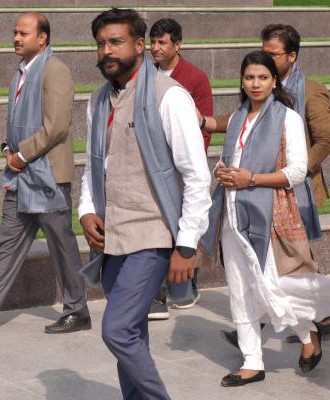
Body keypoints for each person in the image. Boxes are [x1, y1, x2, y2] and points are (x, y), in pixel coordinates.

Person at [78, 8, 211, 399]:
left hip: (153, 234)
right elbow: (94, 165)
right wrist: (86, 210)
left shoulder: (169, 97)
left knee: (117, 330)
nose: (107, 51)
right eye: (101, 43)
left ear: (139, 45)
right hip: (111, 237)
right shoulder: (98, 100)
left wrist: (186, 246)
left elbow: (196, 175)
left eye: (116, 42)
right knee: (132, 334)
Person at [198, 50, 330, 387]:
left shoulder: (287, 118)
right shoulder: (237, 118)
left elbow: (296, 171)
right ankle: (252, 361)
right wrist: (224, 172)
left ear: (274, 81)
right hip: (231, 214)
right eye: (249, 77)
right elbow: (233, 160)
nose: (255, 84)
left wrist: (250, 179)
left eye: (263, 77)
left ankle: (309, 333)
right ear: (241, 81)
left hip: (269, 214)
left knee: (272, 285)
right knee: (240, 288)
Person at [0, 12, 89, 335]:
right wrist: (9, 151)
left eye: (23, 33)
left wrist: (21, 155)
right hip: (21, 175)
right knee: (7, 244)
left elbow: (56, 126)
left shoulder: (56, 70)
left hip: (47, 176)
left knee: (62, 246)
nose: (16, 38)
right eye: (14, 33)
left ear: (43, 38)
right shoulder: (21, 72)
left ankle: (77, 311)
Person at [147, 17, 213, 319]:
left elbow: (204, 126)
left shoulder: (195, 77)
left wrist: (190, 163)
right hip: (155, 168)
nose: (156, 48)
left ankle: (186, 284)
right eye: (153, 42)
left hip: (184, 166)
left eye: (162, 42)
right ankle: (157, 292)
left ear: (177, 44)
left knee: (185, 225)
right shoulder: (146, 75)